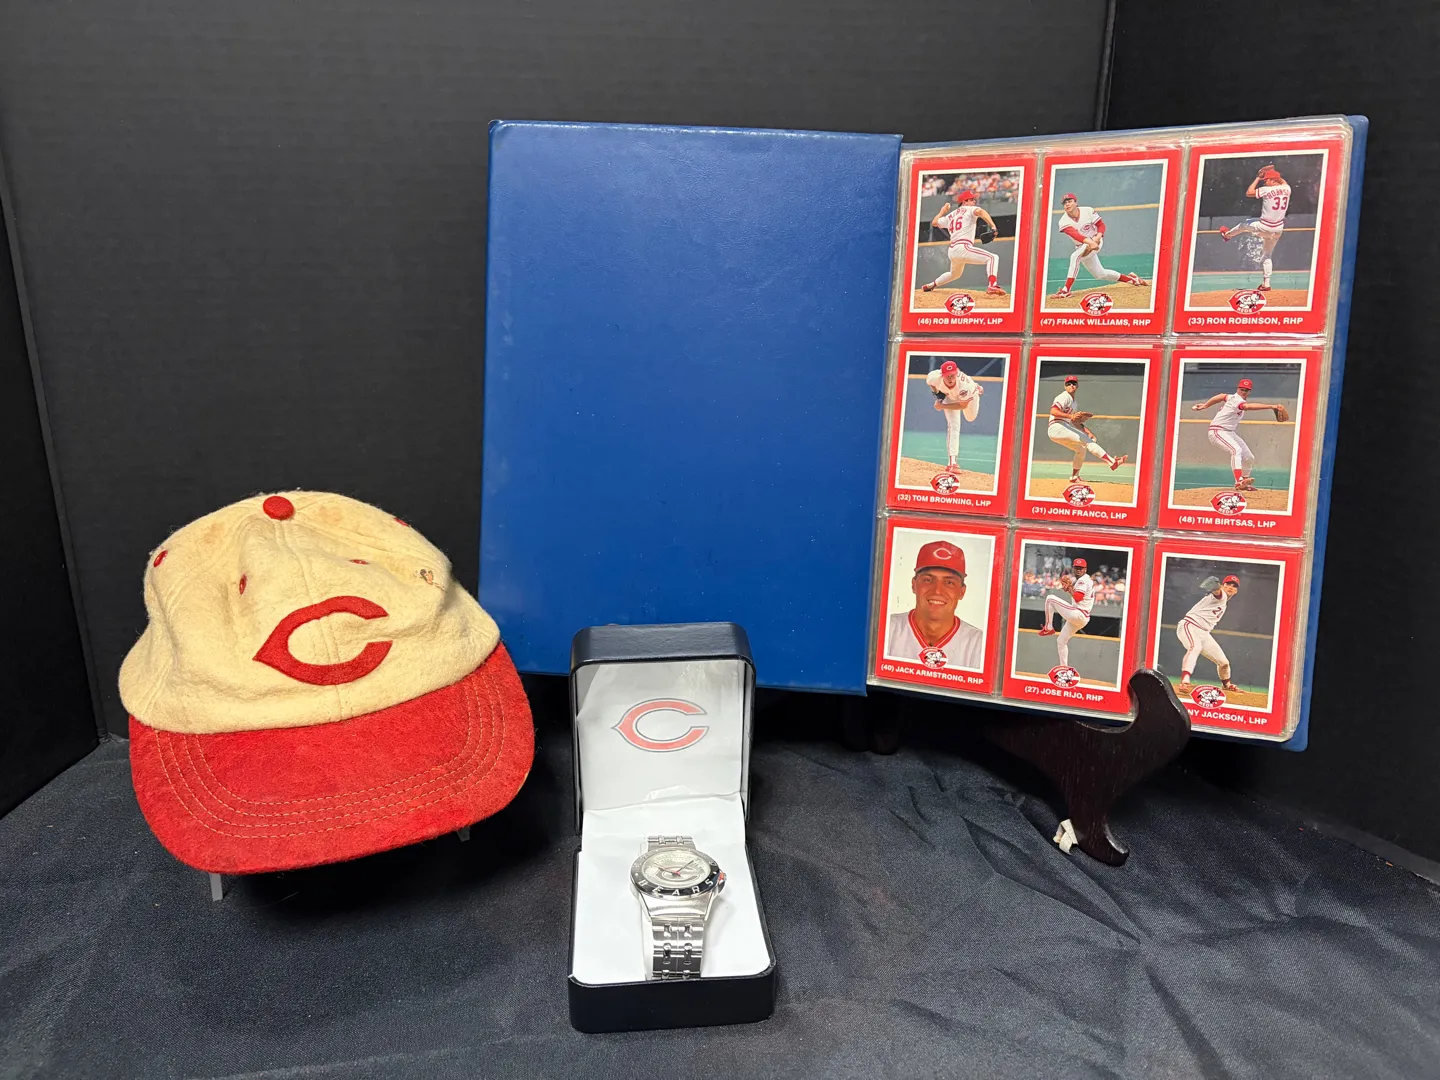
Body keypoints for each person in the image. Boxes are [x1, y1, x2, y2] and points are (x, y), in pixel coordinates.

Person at [885, 539, 985, 670]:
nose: (937, 590)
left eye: (949, 582)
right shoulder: (886, 629)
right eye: (928, 580)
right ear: (914, 585)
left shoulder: (978, 644)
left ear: (962, 592)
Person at [1190, 378, 1289, 491]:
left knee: (1249, 458)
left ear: (1250, 391)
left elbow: (1221, 396)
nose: (1244, 392)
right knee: (1236, 450)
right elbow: (1247, 407)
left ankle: (1244, 484)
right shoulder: (1236, 400)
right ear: (1237, 389)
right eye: (1242, 389)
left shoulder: (1231, 397)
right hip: (1217, 431)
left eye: (1246, 390)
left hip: (1229, 432)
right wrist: (1271, 406)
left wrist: (1205, 405)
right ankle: (1239, 481)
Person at [1052, 193, 1147, 299]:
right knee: (1100, 274)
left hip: (1096, 240)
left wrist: (1097, 238)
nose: (1067, 204)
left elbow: (1101, 225)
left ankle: (1066, 290)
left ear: (1076, 203)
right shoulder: (1063, 221)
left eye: (1069, 201)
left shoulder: (1088, 210)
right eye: (1064, 203)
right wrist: (1090, 242)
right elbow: (1076, 235)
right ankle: (1133, 279)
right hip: (1082, 245)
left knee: (1074, 257)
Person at [920, 190, 1007, 297]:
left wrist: (942, 211)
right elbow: (981, 212)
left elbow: (934, 223)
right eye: (971, 199)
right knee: (993, 258)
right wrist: (993, 227)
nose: (974, 201)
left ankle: (931, 285)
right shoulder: (969, 209)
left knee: (954, 274)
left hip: (952, 250)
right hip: (963, 247)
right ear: (964, 202)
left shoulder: (951, 215)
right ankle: (992, 285)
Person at [1219, 164, 1291, 292]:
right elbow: (1283, 182)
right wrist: (1273, 172)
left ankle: (1227, 235)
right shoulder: (1287, 188)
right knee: (1267, 255)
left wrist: (1258, 177)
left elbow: (1249, 192)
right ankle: (1266, 284)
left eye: (1267, 180)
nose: (1265, 182)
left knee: (1244, 224)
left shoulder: (1266, 190)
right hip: (1278, 229)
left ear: (1273, 180)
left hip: (1264, 226)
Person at [1046, 374, 1127, 482]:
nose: (1071, 385)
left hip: (1061, 428)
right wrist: (1071, 416)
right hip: (1057, 426)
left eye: (1073, 383)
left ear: (1077, 386)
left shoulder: (1074, 403)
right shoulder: (1064, 396)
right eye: (1068, 383)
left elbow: (1074, 422)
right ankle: (1112, 462)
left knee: (1081, 449)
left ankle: (1074, 476)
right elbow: (1053, 411)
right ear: (1065, 386)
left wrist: (1088, 432)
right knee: (1087, 442)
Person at [1177, 575, 1243, 694]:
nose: (1230, 587)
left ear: (1236, 591)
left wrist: (1217, 589)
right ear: (1222, 586)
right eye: (1228, 584)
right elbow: (1218, 593)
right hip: (1190, 626)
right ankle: (1184, 681)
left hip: (1204, 633)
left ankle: (1227, 685)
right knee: (1195, 647)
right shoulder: (1221, 596)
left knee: (1224, 663)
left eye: (1234, 586)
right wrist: (1216, 588)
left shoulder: (1223, 602)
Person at [925, 360, 983, 473]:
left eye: (952, 375)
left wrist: (942, 406)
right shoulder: (934, 377)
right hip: (949, 397)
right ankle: (952, 463)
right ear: (942, 375)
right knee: (953, 426)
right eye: (948, 376)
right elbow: (931, 384)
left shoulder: (965, 386)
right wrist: (938, 396)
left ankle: (976, 388)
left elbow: (962, 405)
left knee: (970, 418)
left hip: (968, 397)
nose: (950, 379)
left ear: (957, 373)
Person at [1037, 557, 1094, 670]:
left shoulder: (1083, 580)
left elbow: (1078, 597)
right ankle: (1064, 669)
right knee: (1061, 641)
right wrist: (1070, 588)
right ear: (1073, 569)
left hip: (1078, 613)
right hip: (1081, 618)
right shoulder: (1085, 580)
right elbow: (1078, 596)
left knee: (1050, 598)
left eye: (1081, 568)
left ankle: (1048, 627)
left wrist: (1069, 589)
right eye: (1076, 568)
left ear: (1085, 569)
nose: (1078, 570)